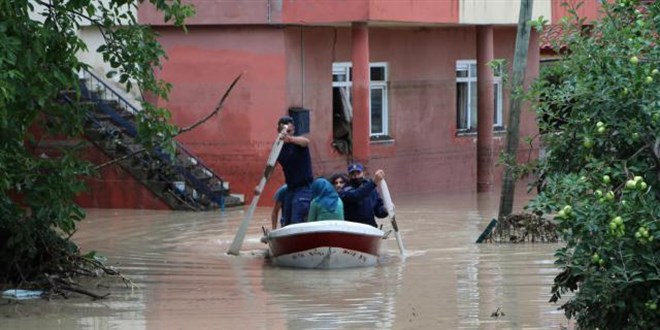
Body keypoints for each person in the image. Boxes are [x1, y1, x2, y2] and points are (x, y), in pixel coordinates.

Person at [276, 116, 313, 226]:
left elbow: (306, 141)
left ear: (293, 130)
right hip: (290, 188)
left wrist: (290, 139)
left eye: (289, 131)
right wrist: (259, 186)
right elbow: (270, 167)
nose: (286, 133)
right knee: (286, 221)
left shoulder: (299, 143)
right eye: (283, 131)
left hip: (304, 187)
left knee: (297, 219)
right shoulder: (278, 148)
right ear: (278, 131)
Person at [338, 163, 388, 228]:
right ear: (349, 176)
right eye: (353, 174)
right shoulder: (345, 191)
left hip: (370, 227)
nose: (356, 177)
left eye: (358, 173)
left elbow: (378, 211)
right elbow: (356, 195)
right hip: (352, 229)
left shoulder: (371, 189)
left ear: (363, 173)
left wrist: (387, 210)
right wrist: (374, 182)